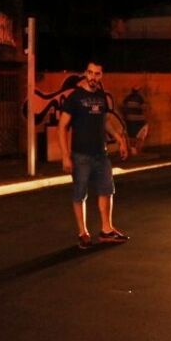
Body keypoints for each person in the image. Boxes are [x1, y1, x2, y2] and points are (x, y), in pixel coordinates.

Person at [58, 60, 130, 250]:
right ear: (85, 73)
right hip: (80, 155)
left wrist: (119, 139)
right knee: (80, 193)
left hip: (101, 154)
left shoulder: (101, 95)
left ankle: (107, 230)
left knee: (107, 190)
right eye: (90, 73)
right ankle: (83, 233)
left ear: (101, 76)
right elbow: (62, 126)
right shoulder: (75, 97)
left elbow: (104, 120)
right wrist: (65, 155)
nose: (92, 77)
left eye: (97, 74)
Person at [121, 86, 148, 156]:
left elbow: (124, 106)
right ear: (139, 91)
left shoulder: (127, 98)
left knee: (132, 136)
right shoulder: (140, 98)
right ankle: (137, 151)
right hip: (139, 121)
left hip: (129, 120)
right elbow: (144, 108)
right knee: (141, 136)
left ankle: (133, 151)